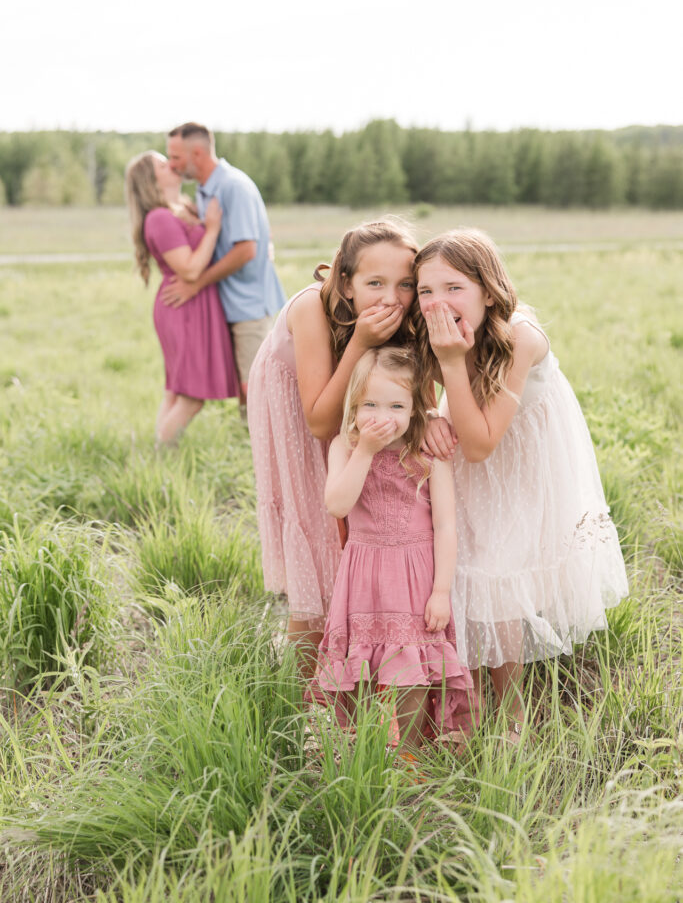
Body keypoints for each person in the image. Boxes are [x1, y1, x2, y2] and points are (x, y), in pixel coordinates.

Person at [415, 228, 629, 739]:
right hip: (474, 440)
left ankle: (511, 716)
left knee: (501, 571)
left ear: (488, 290)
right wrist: (425, 410)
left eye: (453, 287)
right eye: (425, 290)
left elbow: (483, 443)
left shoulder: (521, 336)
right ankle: (465, 693)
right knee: (465, 560)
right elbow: (412, 380)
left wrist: (449, 361)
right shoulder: (432, 326)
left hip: (520, 461)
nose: (437, 302)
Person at [247, 218, 419, 679]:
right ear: (345, 281)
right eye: (375, 283)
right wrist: (361, 341)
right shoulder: (312, 309)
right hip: (297, 407)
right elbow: (321, 421)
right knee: (318, 531)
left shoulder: (404, 310)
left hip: (343, 401)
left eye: (405, 284)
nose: (391, 297)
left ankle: (358, 669)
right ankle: (302, 690)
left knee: (355, 524)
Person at [311, 346, 478, 750]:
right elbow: (337, 504)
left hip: (415, 573)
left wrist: (440, 591)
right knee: (363, 663)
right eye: (370, 404)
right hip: (364, 573)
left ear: (414, 408)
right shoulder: (345, 447)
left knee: (413, 666)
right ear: (354, 404)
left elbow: (445, 524)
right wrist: (365, 451)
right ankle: (366, 745)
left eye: (395, 405)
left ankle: (410, 751)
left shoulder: (427, 451)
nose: (382, 417)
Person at [163, 122, 286, 412]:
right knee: (243, 390)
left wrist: (196, 283)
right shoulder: (206, 190)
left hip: (249, 305)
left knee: (255, 389)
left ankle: (258, 451)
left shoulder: (233, 186)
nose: (172, 165)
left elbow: (246, 250)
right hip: (228, 302)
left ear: (197, 154)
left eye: (176, 157)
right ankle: (246, 445)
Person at [125, 151, 240, 444]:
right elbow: (189, 269)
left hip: (194, 305)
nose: (172, 165)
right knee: (191, 397)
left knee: (176, 392)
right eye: (163, 165)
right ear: (151, 179)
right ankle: (161, 456)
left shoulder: (182, 207)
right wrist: (212, 229)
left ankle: (157, 456)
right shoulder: (160, 218)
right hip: (183, 307)